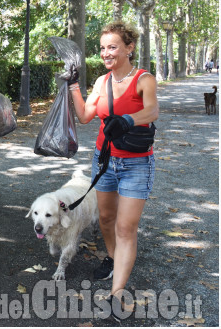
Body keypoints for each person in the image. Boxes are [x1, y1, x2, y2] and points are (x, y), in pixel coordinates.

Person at [69, 21, 158, 316]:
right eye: (103, 48)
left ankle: (116, 293)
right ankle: (112, 257)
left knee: (124, 227)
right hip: (104, 159)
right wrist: (72, 85)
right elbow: (84, 116)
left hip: (136, 163)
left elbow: (152, 111)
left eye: (112, 47)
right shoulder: (102, 82)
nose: (106, 53)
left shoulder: (144, 78)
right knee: (106, 219)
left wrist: (130, 120)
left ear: (128, 48)